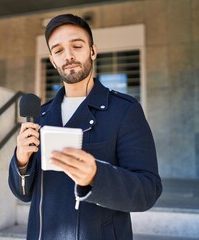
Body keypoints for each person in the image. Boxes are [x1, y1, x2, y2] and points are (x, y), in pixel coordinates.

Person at [8, 13, 162, 240]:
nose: (68, 55)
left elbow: (147, 191)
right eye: (58, 50)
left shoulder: (124, 110)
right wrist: (21, 160)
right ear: (52, 60)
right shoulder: (41, 115)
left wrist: (97, 176)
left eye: (76, 46)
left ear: (93, 51)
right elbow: (23, 194)